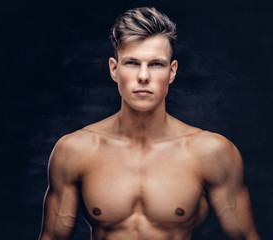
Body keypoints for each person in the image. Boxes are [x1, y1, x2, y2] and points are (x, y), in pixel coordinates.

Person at [38, 6, 260, 240]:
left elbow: (246, 237)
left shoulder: (211, 152)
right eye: (132, 63)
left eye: (156, 64)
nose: (143, 76)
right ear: (114, 69)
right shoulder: (75, 151)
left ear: (172, 72)